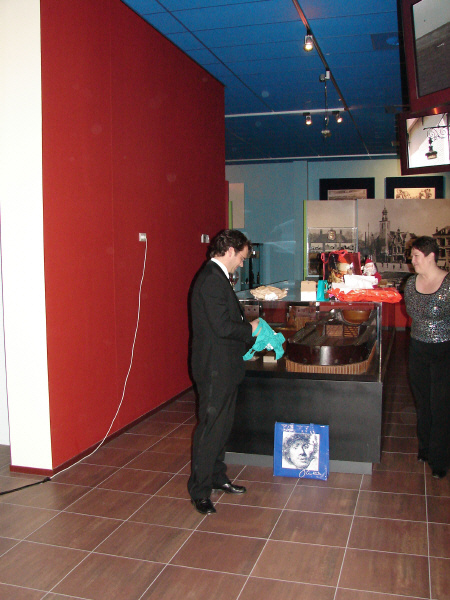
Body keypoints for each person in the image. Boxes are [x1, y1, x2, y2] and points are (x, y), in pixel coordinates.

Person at [188, 229, 259, 514]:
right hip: (214, 367)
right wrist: (251, 328)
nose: (241, 263)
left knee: (222, 426)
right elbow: (221, 326)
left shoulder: (217, 276)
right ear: (229, 251)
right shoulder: (211, 280)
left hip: (224, 365)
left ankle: (217, 477)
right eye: (241, 258)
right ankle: (200, 490)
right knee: (210, 429)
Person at [404, 236, 450, 479]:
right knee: (423, 402)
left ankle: (440, 458)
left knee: (441, 404)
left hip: (444, 351)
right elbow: (411, 312)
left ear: (431, 256)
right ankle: (425, 447)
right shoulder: (411, 283)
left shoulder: (448, 284)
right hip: (418, 348)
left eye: (416, 256)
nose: (412, 261)